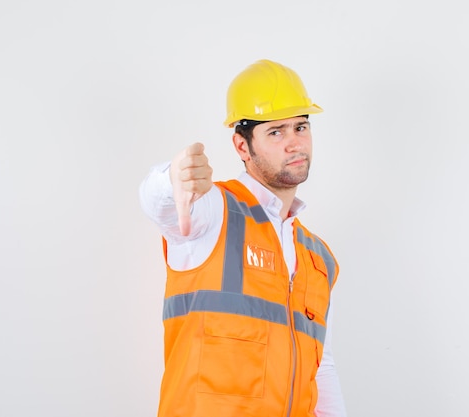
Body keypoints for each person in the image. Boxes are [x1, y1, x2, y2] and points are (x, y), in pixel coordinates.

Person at [139, 59, 347, 417]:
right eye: (276, 132)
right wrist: (172, 179)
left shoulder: (318, 257)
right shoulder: (213, 212)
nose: (295, 143)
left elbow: (320, 367)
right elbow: (161, 205)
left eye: (301, 127)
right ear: (242, 146)